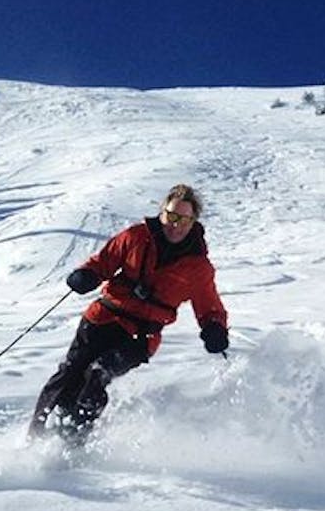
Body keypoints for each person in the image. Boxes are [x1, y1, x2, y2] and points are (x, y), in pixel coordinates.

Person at [28, 184, 229, 444]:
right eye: (171, 216)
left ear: (194, 221)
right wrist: (86, 275)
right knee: (70, 373)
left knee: (98, 373)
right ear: (162, 212)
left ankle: (73, 441)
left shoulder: (198, 267)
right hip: (103, 318)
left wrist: (214, 328)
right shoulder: (136, 237)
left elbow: (209, 306)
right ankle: (36, 436)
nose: (175, 225)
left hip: (140, 335)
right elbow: (103, 263)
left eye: (184, 219)